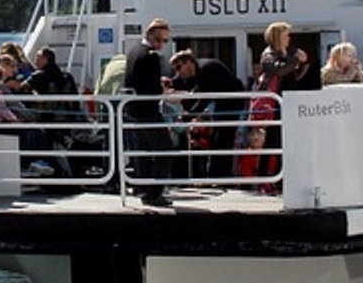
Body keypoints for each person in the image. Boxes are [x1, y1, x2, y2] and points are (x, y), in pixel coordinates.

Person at [170, 50, 245, 178]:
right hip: (222, 102)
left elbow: (204, 98)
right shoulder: (198, 70)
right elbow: (195, 92)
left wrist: (188, 116)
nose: (178, 72)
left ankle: (221, 175)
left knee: (224, 138)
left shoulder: (205, 69)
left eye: (178, 68)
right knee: (218, 137)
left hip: (232, 101)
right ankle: (216, 174)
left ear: (188, 63)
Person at [124, 17, 173, 207]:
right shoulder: (151, 56)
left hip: (133, 109)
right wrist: (164, 90)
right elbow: (151, 89)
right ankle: (153, 192)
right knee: (165, 149)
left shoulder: (134, 51)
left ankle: (143, 187)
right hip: (147, 110)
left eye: (165, 41)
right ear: (150, 36)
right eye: (160, 40)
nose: (162, 44)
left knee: (143, 150)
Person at [256, 21, 308, 93]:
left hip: (289, 96)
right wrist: (296, 60)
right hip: (274, 99)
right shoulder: (268, 55)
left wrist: (301, 62)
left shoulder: (286, 53)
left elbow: (294, 76)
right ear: (278, 37)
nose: (289, 38)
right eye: (286, 35)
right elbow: (280, 70)